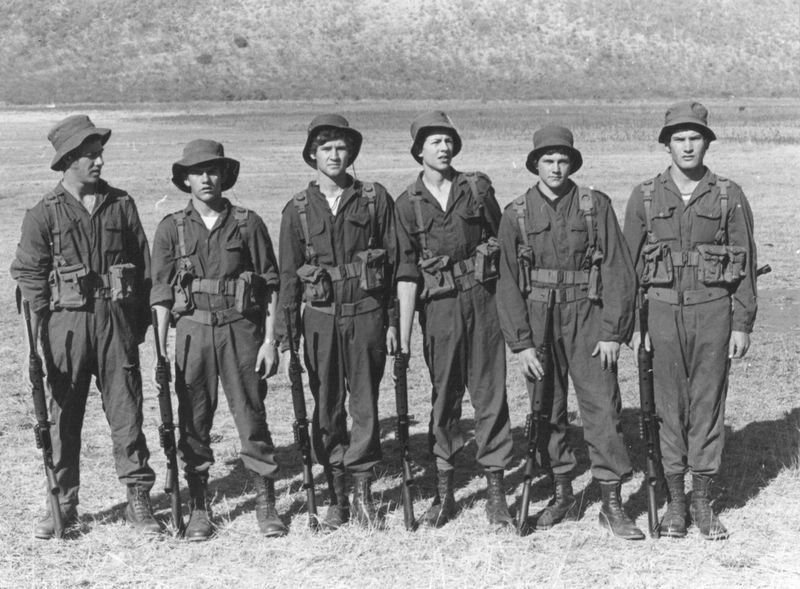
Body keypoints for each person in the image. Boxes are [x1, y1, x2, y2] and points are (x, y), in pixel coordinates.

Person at [11, 114, 159, 538]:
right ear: (69, 161)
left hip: (116, 322)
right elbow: (32, 283)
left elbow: (144, 268)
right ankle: (62, 502)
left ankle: (137, 498)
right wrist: (37, 346)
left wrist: (136, 328)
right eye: (90, 156)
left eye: (99, 154)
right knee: (63, 420)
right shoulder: (43, 214)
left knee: (127, 411)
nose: (98, 162)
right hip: (67, 326)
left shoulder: (121, 204)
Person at [496, 125, 645, 540]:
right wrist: (521, 343)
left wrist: (614, 332)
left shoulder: (594, 206)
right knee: (548, 409)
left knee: (602, 408)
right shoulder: (516, 213)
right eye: (548, 160)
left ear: (572, 163)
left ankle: (612, 503)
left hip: (588, 318)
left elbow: (618, 270)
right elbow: (507, 283)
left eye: (563, 160)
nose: (556, 168)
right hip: (539, 319)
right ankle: (562, 491)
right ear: (535, 165)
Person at [623, 102, 758, 540]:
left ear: (706, 142)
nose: (687, 145)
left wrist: (742, 323)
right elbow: (628, 269)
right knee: (667, 407)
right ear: (666, 145)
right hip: (660, 311)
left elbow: (746, 262)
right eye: (678, 138)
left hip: (713, 310)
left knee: (707, 403)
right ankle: (676, 501)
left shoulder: (727, 194)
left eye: (695, 137)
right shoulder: (644, 196)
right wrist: (635, 324)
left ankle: (701, 500)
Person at [150, 139, 285, 540]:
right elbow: (159, 293)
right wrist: (159, 352)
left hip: (241, 330)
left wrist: (270, 341)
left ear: (225, 175)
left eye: (213, 170)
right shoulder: (171, 228)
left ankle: (266, 503)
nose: (206, 178)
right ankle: (198, 509)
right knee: (193, 420)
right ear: (186, 180)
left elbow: (272, 284)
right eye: (198, 172)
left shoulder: (247, 223)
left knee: (251, 415)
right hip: (192, 333)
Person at [276, 114, 402, 529]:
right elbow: (289, 276)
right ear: (312, 154)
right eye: (325, 148)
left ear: (351, 153)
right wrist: (285, 331)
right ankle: (336, 494)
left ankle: (363, 492)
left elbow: (396, 259)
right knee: (327, 407)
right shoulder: (295, 208)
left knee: (365, 403)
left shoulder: (372, 198)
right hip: (320, 321)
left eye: (341, 148)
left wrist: (393, 320)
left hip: (366, 315)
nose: (334, 155)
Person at [394, 111, 514, 528]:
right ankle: (444, 492)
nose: (443, 148)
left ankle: (496, 493)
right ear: (419, 152)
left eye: (448, 140)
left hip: (483, 301)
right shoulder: (407, 204)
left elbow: (502, 243)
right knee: (445, 395)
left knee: (490, 392)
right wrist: (405, 335)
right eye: (434, 142)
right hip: (440, 308)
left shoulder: (476, 189)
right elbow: (406, 271)